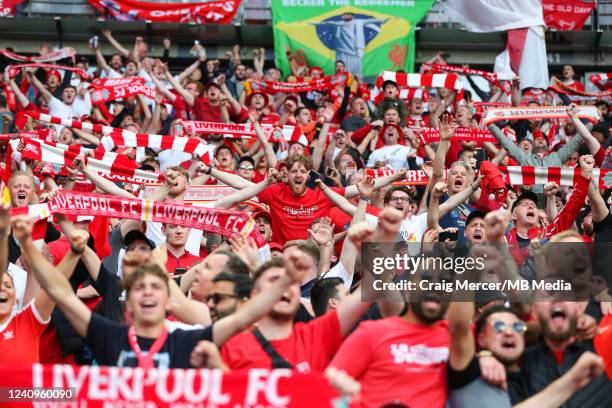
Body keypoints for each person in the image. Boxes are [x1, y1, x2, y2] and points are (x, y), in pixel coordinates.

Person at [16, 213, 312, 368]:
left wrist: (288, 280)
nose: (147, 292)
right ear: (126, 300)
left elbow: (242, 316)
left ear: (169, 298)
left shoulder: (185, 340)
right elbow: (62, 294)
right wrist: (28, 245)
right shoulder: (109, 336)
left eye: (156, 286)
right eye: (139, 287)